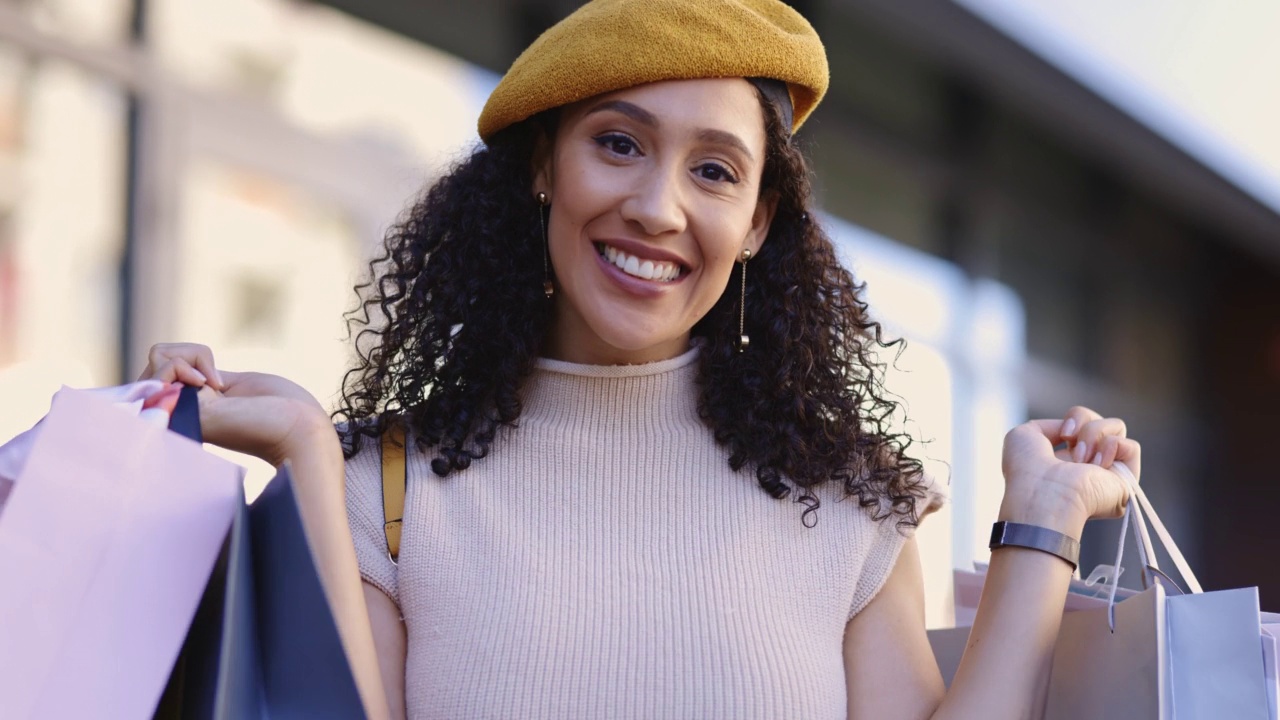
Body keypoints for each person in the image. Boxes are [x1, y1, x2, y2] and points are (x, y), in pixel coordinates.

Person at [139, 0, 1141, 718]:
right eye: (616, 143)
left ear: (755, 224)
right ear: (543, 167)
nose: (657, 207)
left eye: (712, 170)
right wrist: (307, 458)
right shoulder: (388, 491)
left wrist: (1042, 520)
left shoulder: (843, 502)